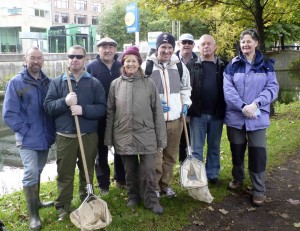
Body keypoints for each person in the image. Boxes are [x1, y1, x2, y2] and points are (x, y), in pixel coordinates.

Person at [44, 45, 107, 219]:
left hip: (88, 135)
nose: (75, 59)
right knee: (65, 173)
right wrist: (64, 102)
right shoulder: (57, 82)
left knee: (87, 169)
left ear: (84, 59)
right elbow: (48, 107)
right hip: (65, 135)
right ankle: (63, 206)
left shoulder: (94, 83)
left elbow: (102, 108)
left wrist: (83, 109)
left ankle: (87, 199)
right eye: (71, 56)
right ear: (68, 58)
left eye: (79, 56)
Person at [105, 46, 167, 215]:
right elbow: (110, 111)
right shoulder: (115, 85)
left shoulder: (149, 83)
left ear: (139, 63)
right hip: (123, 134)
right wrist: (108, 139)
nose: (130, 64)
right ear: (123, 64)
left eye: (134, 61)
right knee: (130, 170)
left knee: (148, 170)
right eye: (127, 61)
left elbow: (157, 112)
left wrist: (161, 138)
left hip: (146, 134)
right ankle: (133, 197)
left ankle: (152, 201)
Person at [223, 29, 279, 206]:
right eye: (242, 42)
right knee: (237, 151)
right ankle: (238, 178)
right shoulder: (232, 65)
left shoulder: (267, 65)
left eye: (249, 41)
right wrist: (242, 106)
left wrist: (256, 104)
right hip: (236, 117)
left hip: (257, 118)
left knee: (257, 154)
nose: (245, 45)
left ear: (256, 43)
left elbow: (272, 88)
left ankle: (259, 189)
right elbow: (228, 90)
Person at [2, 47, 55, 230]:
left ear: (43, 61)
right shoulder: (16, 82)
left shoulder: (47, 82)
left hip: (45, 136)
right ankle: (34, 216)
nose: (36, 61)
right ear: (26, 59)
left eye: (39, 58)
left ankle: (37, 201)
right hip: (27, 138)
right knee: (30, 171)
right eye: (32, 58)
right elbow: (9, 113)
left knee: (38, 171)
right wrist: (25, 130)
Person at [142, 32, 192, 198]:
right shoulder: (147, 67)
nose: (167, 51)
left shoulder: (179, 66)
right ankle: (154, 187)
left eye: (170, 47)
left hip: (176, 120)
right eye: (163, 47)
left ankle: (166, 185)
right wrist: (151, 106)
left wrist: (185, 104)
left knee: (170, 155)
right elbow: (139, 93)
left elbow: (185, 87)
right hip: (155, 121)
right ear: (157, 48)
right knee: (156, 156)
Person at [186, 34, 228, 184]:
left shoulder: (223, 65)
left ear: (215, 47)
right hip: (197, 114)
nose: (206, 46)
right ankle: (197, 177)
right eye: (203, 44)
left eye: (209, 44)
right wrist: (187, 111)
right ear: (198, 48)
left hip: (217, 114)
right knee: (197, 148)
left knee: (214, 147)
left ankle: (212, 175)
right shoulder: (191, 65)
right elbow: (185, 89)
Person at [86, 37, 126, 195]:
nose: (107, 50)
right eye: (104, 47)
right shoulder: (91, 68)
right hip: (100, 116)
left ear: (115, 49)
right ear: (98, 49)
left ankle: (121, 178)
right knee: (101, 151)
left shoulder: (121, 66)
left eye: (111, 47)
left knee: (121, 148)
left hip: (120, 115)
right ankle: (103, 184)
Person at [175, 33, 198, 163]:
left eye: (189, 43)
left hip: (193, 108)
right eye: (184, 42)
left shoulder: (199, 61)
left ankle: (186, 164)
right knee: (178, 139)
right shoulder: (173, 62)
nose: (187, 45)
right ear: (179, 44)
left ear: (193, 45)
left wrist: (190, 108)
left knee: (189, 138)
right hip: (176, 107)